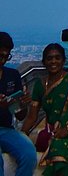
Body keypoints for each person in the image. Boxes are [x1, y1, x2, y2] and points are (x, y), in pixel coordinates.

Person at [24, 44, 68, 176]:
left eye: (57, 58)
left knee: (66, 154)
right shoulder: (40, 85)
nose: (53, 61)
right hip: (54, 131)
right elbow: (32, 116)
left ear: (64, 61)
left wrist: (67, 129)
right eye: (49, 58)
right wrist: (22, 135)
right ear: (44, 62)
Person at [0, 32, 36, 176]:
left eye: (6, 56)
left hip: (6, 129)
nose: (3, 60)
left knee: (29, 154)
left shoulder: (12, 75)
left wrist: (22, 104)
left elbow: (20, 116)